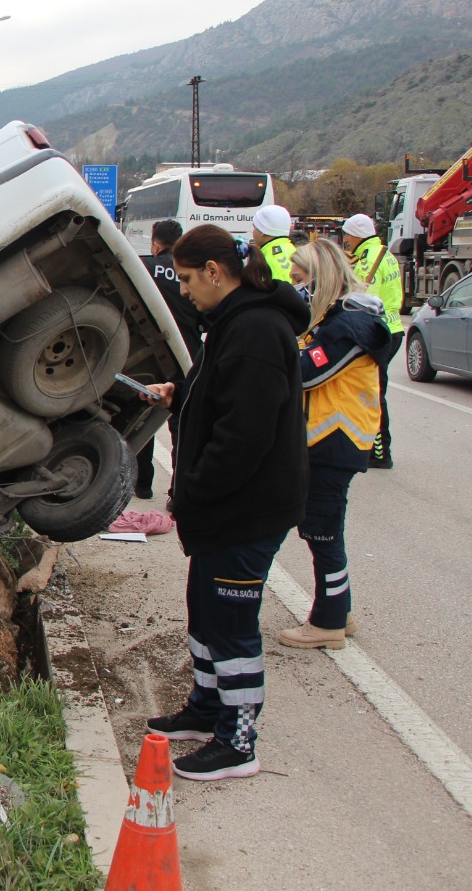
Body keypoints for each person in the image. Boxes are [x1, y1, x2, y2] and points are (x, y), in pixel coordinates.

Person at [143, 224, 309, 782]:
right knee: (206, 609)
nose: (183, 290)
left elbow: (246, 434)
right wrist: (180, 394)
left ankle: (238, 740)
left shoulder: (258, 329)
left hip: (246, 506)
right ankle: (207, 707)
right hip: (224, 507)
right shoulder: (232, 321)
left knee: (233, 621)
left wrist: (196, 489)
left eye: (188, 280)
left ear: (215, 273)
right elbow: (221, 391)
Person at [278, 239, 389, 651]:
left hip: (334, 440)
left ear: (320, 279)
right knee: (323, 528)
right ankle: (338, 609)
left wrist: (276, 348)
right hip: (330, 438)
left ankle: (327, 623)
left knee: (323, 531)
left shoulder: (348, 325)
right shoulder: (336, 318)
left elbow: (308, 373)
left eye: (299, 280)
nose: (296, 288)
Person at [134, 219, 202, 501]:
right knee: (183, 426)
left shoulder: (144, 267)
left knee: (143, 417)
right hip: (188, 356)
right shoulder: (191, 273)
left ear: (155, 243)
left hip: (150, 358)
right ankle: (177, 492)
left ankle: (143, 484)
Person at [340, 213, 403, 469]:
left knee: (373, 392)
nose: (344, 239)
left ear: (356, 234)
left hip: (379, 332)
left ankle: (379, 451)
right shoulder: (385, 254)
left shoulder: (368, 261)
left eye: (346, 234)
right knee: (375, 390)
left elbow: (362, 301)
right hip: (393, 327)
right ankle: (376, 448)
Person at [251, 205, 296, 283]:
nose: (253, 231)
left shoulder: (269, 258)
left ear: (262, 231)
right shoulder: (293, 250)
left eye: (255, 228)